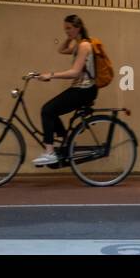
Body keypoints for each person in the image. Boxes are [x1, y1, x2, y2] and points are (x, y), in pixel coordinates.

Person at [33, 14, 98, 165]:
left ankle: (49, 152)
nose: (66, 31)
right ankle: (67, 143)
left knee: (47, 110)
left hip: (84, 90)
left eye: (69, 28)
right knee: (52, 110)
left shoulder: (84, 46)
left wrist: (51, 75)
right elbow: (61, 50)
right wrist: (70, 37)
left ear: (78, 27)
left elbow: (75, 72)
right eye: (65, 29)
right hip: (80, 89)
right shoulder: (78, 44)